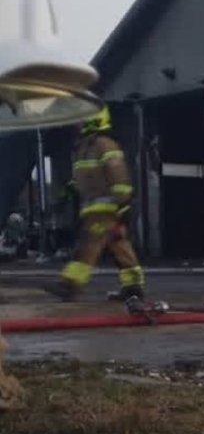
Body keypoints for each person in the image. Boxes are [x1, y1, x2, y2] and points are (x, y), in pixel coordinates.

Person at [44, 106, 147, 301]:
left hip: (105, 208)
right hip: (94, 207)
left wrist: (122, 203)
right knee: (120, 246)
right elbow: (87, 176)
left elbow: (118, 173)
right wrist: (71, 189)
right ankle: (133, 286)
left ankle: (70, 285)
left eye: (80, 119)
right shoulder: (84, 146)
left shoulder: (104, 144)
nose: (77, 123)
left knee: (89, 244)